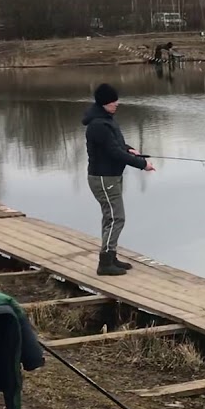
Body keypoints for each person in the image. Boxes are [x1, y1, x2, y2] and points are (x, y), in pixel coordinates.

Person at [82, 83, 155, 276]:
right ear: (104, 103)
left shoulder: (106, 120)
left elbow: (116, 145)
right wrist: (142, 164)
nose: (117, 103)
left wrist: (129, 149)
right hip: (103, 178)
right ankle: (105, 263)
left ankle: (110, 256)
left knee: (110, 218)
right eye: (113, 101)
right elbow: (113, 152)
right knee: (116, 218)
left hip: (111, 176)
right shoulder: (98, 125)